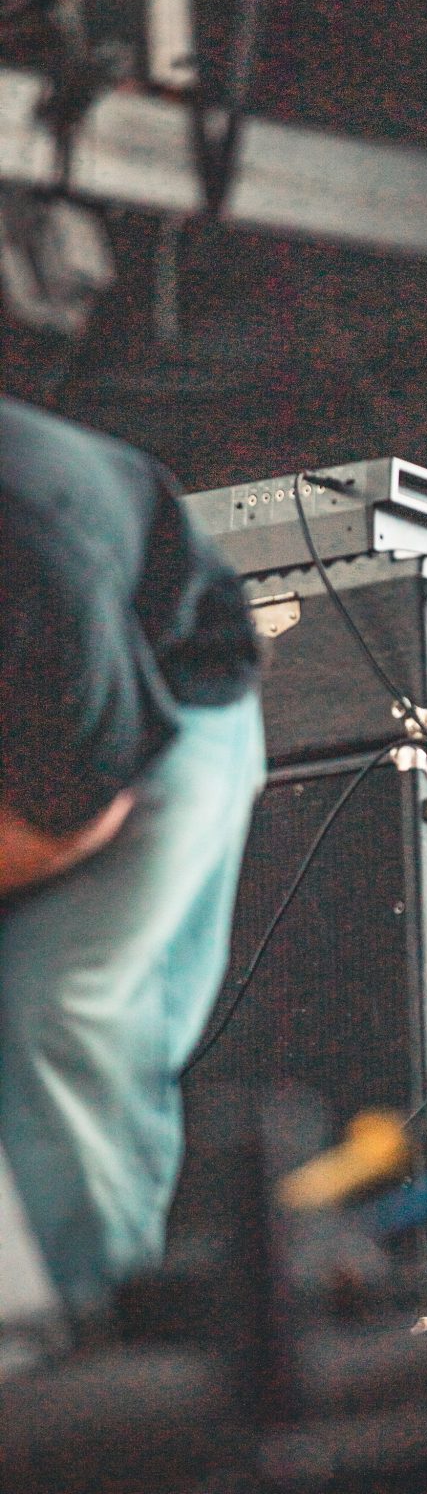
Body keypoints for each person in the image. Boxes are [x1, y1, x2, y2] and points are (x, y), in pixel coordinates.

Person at [0, 398, 264, 1316]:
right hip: (40, 722)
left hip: (159, 713)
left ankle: (91, 1373)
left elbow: (75, 807)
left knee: (58, 1013)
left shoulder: (32, 547)